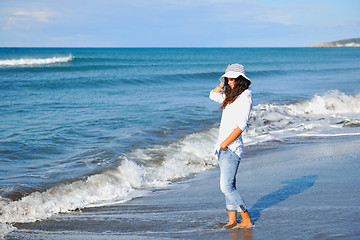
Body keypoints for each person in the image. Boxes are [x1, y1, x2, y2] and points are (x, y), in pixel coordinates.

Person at [209, 63, 253, 229]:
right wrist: (223, 81)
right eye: (229, 78)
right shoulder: (231, 96)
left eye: (234, 78)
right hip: (223, 149)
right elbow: (212, 95)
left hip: (231, 149)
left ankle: (246, 219)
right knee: (230, 186)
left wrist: (225, 144)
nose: (231, 81)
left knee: (226, 187)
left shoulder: (246, 96)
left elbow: (241, 125)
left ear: (241, 79)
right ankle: (232, 220)